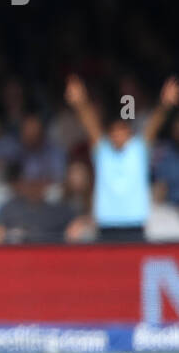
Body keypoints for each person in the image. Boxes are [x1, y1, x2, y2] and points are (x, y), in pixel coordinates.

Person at [65, 74, 178, 241]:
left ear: (130, 134)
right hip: (106, 224)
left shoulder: (138, 151)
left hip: (135, 223)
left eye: (122, 132)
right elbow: (91, 125)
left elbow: (154, 124)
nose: (118, 136)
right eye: (114, 133)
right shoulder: (103, 152)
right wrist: (80, 103)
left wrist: (165, 105)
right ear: (109, 135)